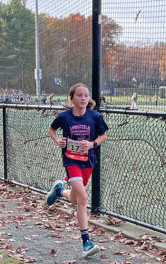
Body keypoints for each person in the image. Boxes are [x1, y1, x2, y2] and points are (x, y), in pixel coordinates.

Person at [46, 83, 108, 258]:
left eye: (86, 95)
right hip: (71, 160)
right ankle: (86, 241)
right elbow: (52, 129)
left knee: (75, 198)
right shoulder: (64, 117)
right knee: (82, 197)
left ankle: (59, 191)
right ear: (72, 98)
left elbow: (103, 135)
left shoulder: (95, 116)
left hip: (87, 161)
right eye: (79, 95)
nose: (83, 98)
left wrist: (92, 144)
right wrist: (58, 140)